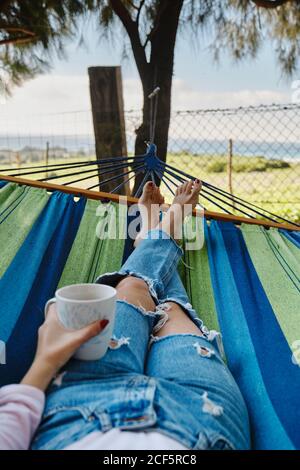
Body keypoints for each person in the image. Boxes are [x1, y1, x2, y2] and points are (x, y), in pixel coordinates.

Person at [0, 180, 250, 450]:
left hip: (79, 409)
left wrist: (46, 359)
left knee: (134, 287)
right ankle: (162, 228)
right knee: (170, 310)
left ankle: (154, 231)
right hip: (202, 419)